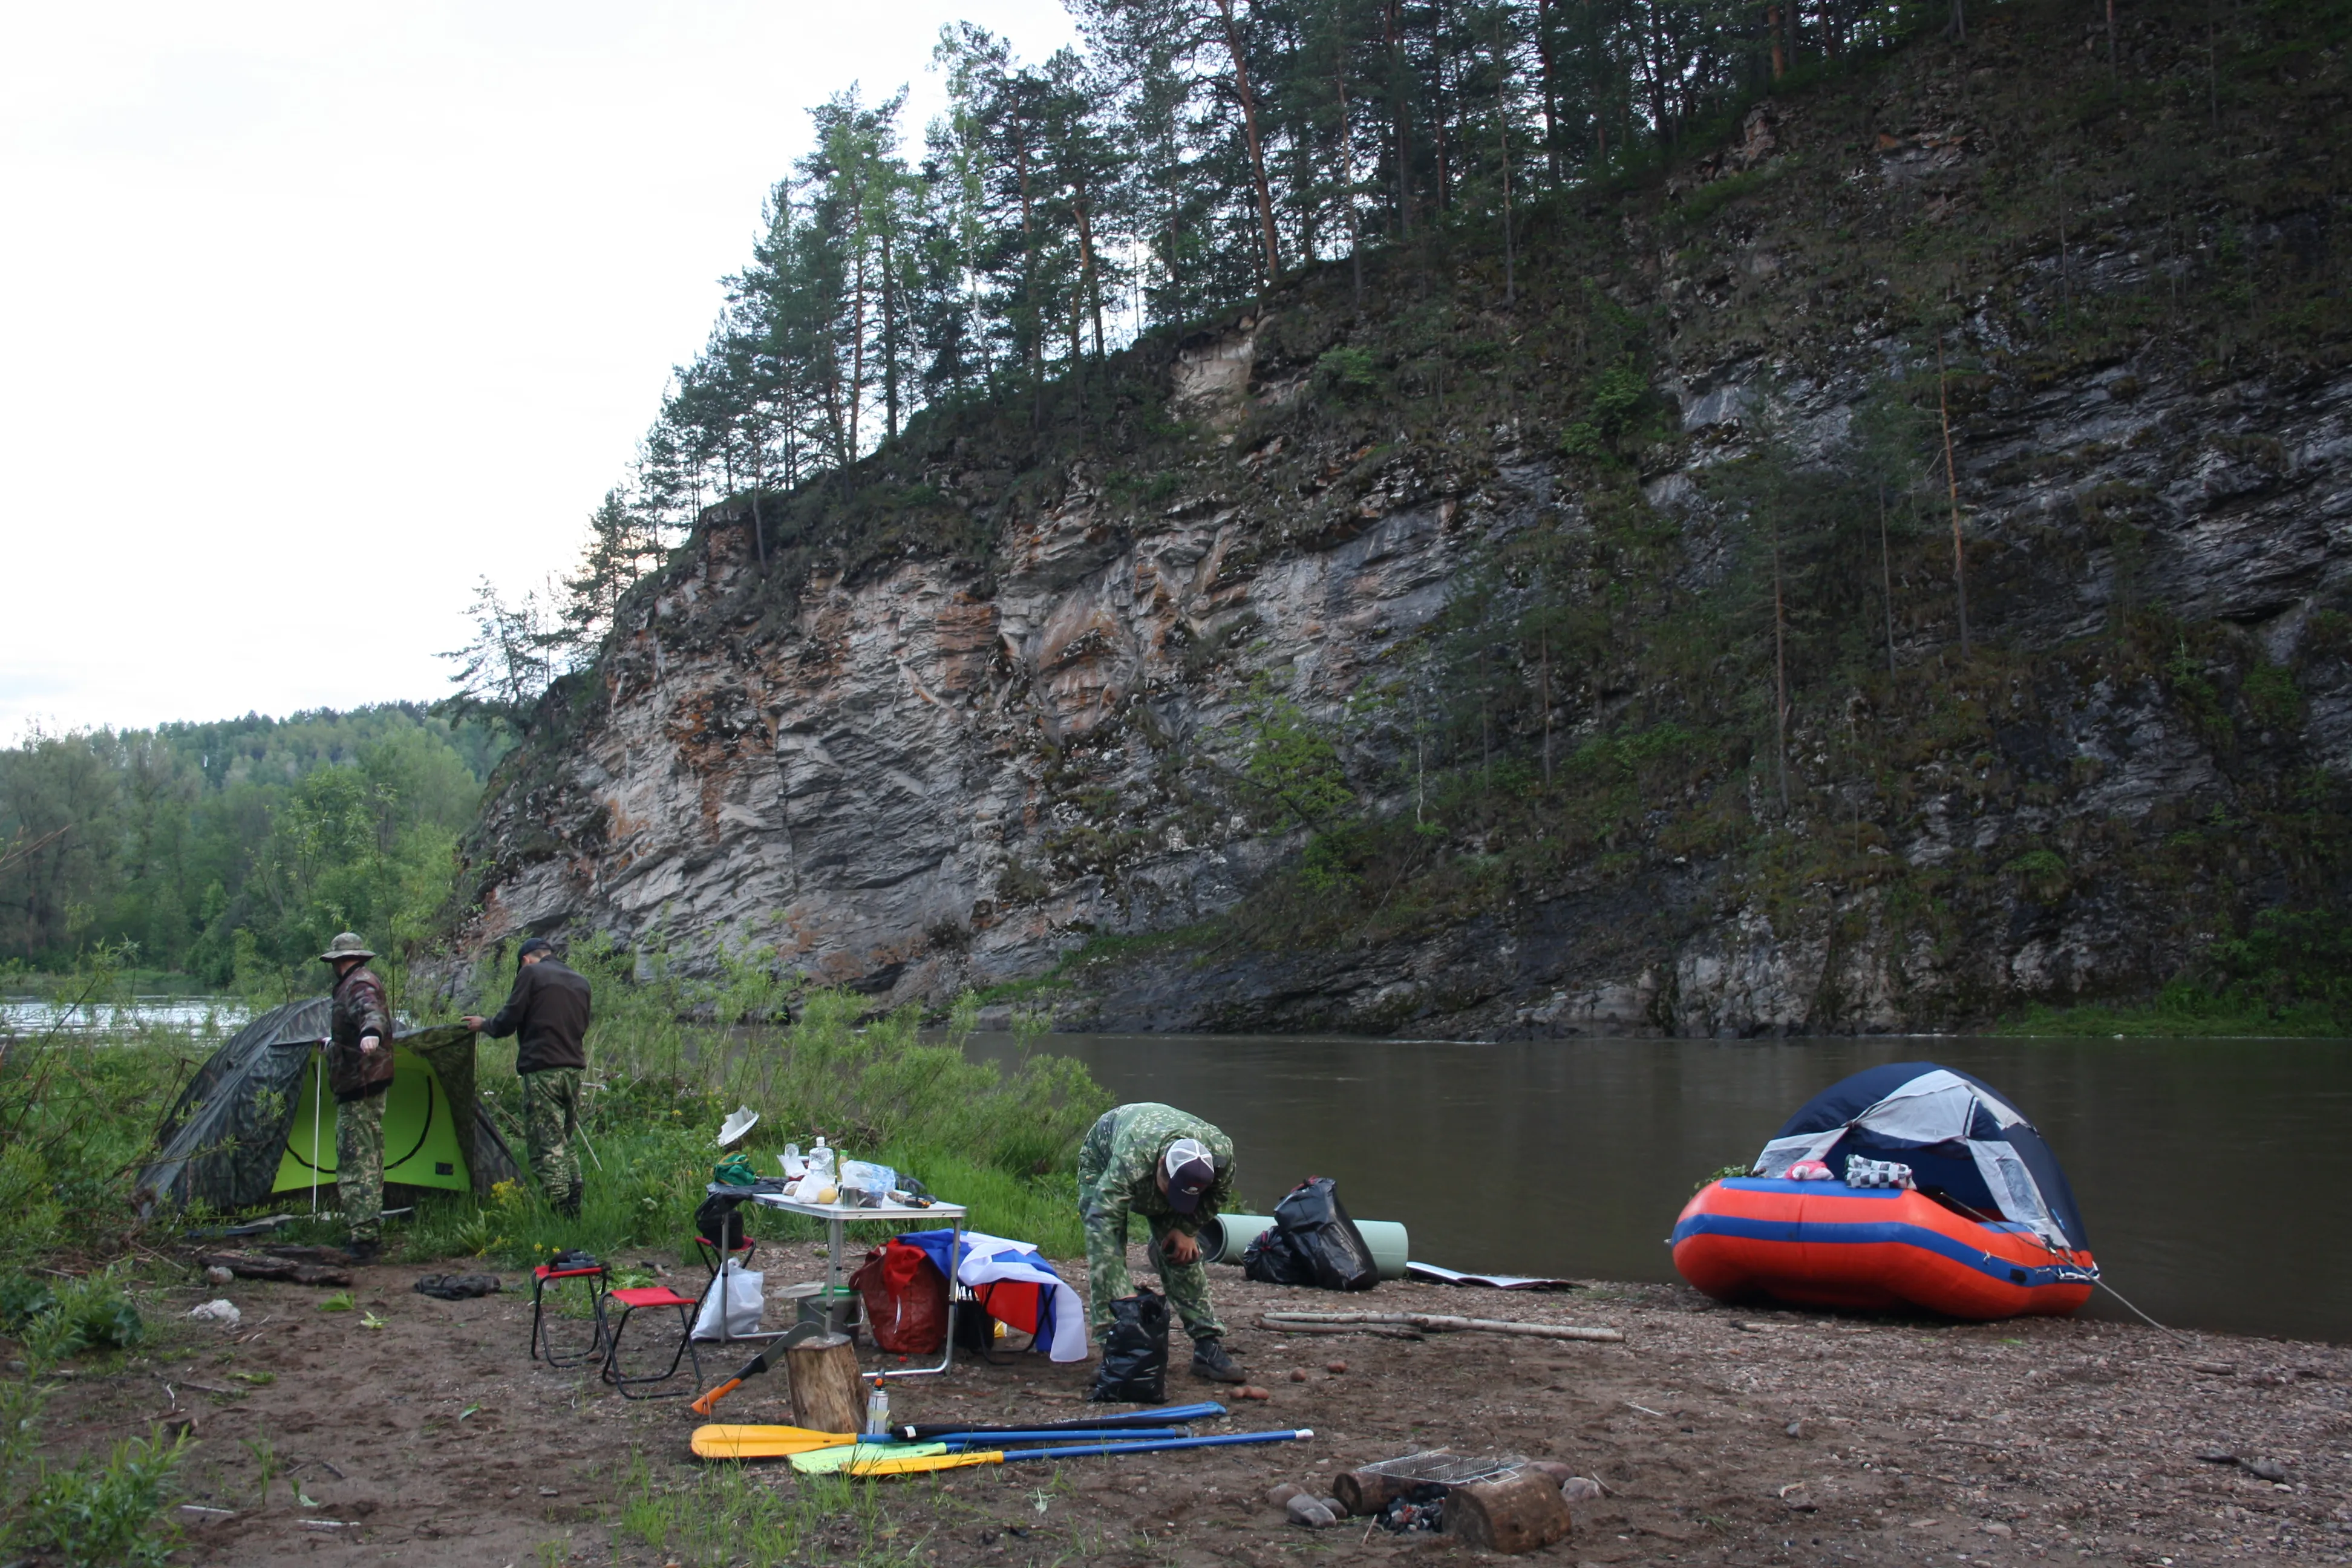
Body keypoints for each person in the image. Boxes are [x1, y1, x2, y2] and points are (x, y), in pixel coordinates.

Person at [1076, 1102, 1248, 1383]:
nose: (1174, 1202)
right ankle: (1115, 1352)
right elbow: (1101, 1231)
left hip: (1157, 1165)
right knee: (1110, 1258)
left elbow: (1218, 1196)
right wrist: (1122, 1292)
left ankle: (1208, 1347)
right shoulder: (1132, 1157)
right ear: (1159, 1167)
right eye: (1173, 1192)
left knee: (1183, 1253)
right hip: (1105, 1158)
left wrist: (1188, 1229)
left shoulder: (1221, 1155)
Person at [464, 937, 592, 1218]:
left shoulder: (531, 974)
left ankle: (559, 1212)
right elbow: (582, 1024)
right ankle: (574, 1203)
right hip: (573, 1070)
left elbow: (509, 1019)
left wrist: (484, 1025)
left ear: (525, 959)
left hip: (542, 1069)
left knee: (545, 1142)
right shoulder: (581, 981)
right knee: (564, 1140)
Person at [318, 932, 393, 1263]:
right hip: (366, 1080)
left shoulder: (359, 984)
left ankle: (364, 1240)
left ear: (338, 962)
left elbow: (371, 1013)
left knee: (356, 1159)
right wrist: (332, 1044)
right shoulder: (358, 981)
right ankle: (369, 1229)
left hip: (359, 1084)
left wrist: (371, 1035)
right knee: (370, 1155)